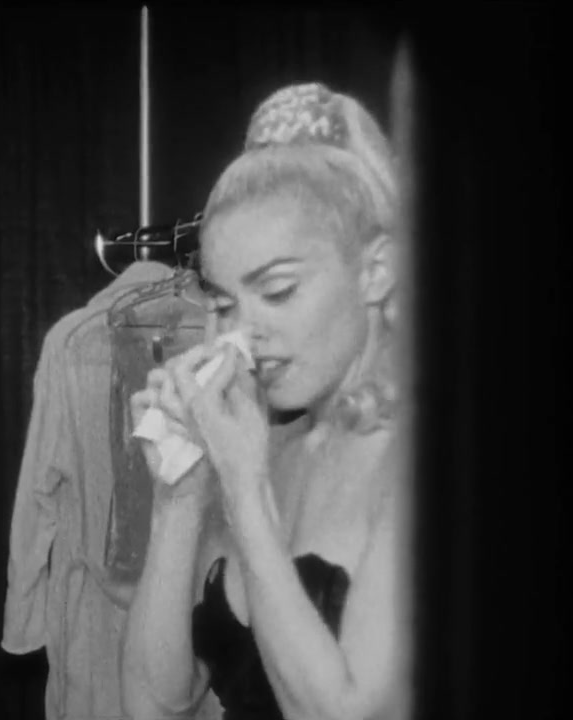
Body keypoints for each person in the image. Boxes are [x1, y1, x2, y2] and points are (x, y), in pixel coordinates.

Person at [120, 82, 411, 720]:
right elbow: (153, 702)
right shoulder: (264, 446)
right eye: (225, 303)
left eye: (277, 291)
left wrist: (246, 490)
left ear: (376, 271)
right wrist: (180, 497)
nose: (242, 333)